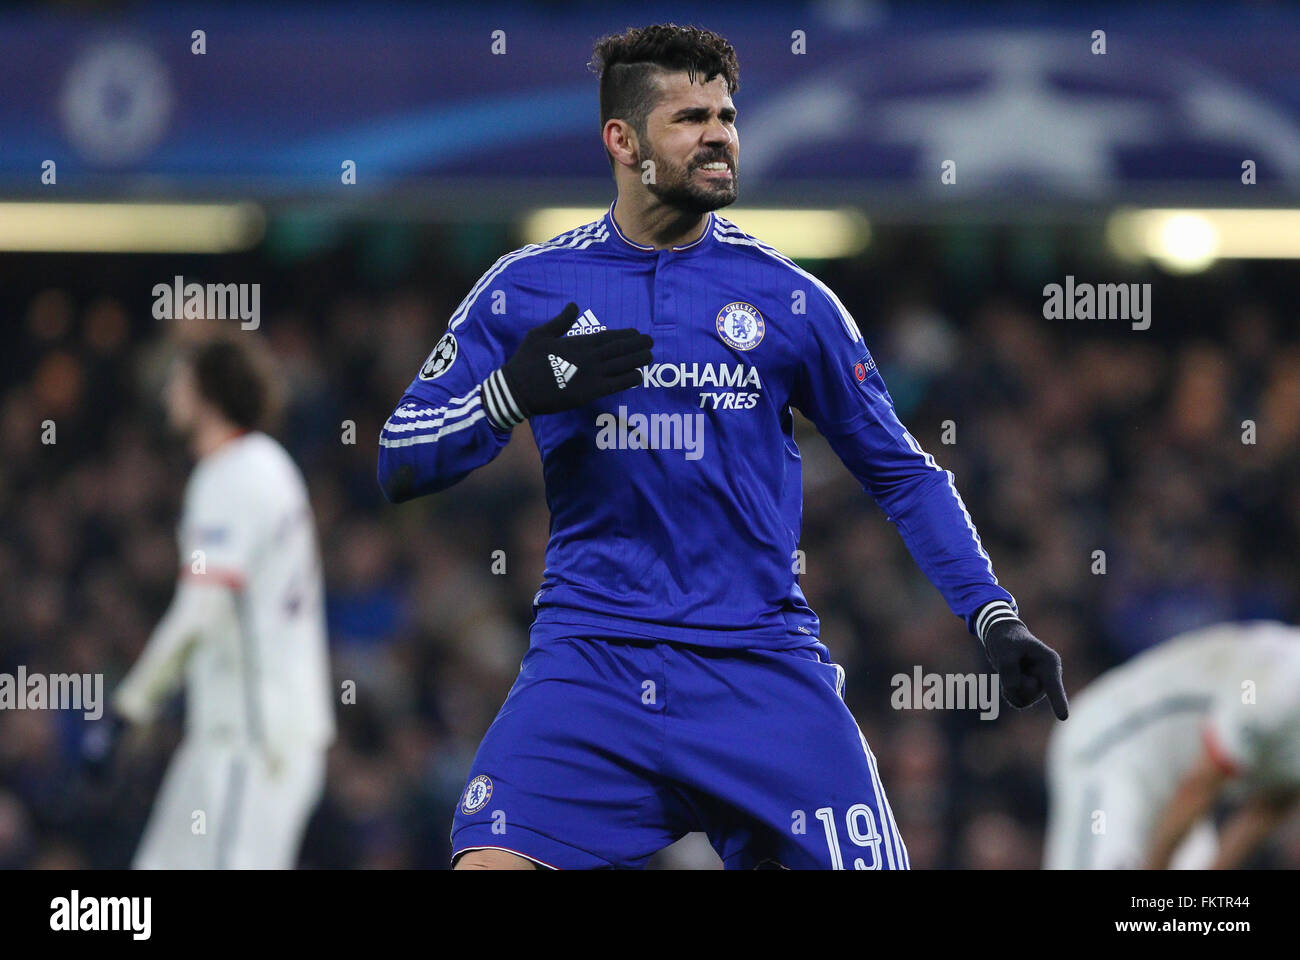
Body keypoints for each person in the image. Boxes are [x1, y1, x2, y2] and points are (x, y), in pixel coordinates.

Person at [378, 23, 1066, 870]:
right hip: (592, 663)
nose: (719, 135)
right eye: (690, 117)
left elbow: (902, 473)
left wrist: (991, 613)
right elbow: (399, 459)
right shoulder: (528, 289)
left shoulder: (791, 301)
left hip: (760, 670)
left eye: (727, 115)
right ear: (622, 141)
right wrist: (509, 394)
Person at [87, 334, 335, 868]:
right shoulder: (261, 465)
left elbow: (202, 609)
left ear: (206, 392)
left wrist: (129, 711)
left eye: (179, 381)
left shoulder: (234, 474)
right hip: (228, 736)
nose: (169, 394)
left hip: (254, 740)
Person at [1045, 620, 1300, 869]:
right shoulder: (1283, 685)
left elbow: (1265, 810)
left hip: (1178, 789)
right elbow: (1200, 784)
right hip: (1115, 746)